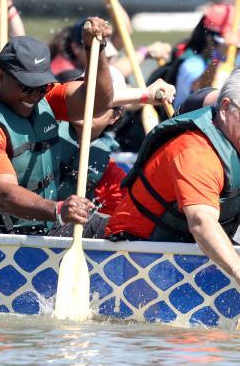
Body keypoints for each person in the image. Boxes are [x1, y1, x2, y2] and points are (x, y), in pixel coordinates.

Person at [105, 69, 240, 304]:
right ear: (225, 108)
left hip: (191, 244)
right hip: (139, 247)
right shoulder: (194, 151)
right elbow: (202, 224)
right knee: (147, 322)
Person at [0, 19, 115, 234]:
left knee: (118, 230)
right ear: (1, 76)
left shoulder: (46, 98)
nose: (34, 96)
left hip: (39, 229)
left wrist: (94, 49)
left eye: (41, 87)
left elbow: (98, 101)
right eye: (26, 87)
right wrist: (58, 209)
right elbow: (4, 194)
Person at [51, 67, 176, 238]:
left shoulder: (111, 176)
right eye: (84, 96)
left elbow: (120, 223)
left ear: (115, 116)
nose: (88, 105)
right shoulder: (43, 123)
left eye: (99, 102)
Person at [173, 3, 240, 108]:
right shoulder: (192, 66)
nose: (239, 50)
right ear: (210, 39)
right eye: (235, 47)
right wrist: (218, 58)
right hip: (189, 119)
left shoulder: (234, 57)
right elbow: (201, 93)